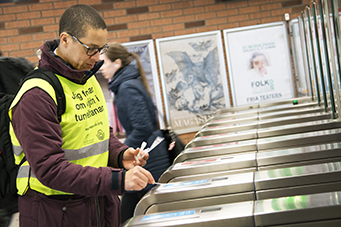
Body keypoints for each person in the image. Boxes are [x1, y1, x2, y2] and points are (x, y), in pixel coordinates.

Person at [8, 4, 154, 227]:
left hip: (97, 204)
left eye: (100, 49)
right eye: (90, 48)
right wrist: (117, 179)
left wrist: (119, 153)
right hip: (55, 212)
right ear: (65, 39)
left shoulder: (88, 79)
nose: (96, 58)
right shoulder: (37, 94)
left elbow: (99, 134)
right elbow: (50, 169)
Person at [100, 42, 171, 223]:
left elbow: (142, 126)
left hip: (149, 159)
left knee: (135, 214)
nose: (101, 68)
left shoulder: (126, 87)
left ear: (117, 63)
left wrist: (121, 152)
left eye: (104, 63)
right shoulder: (127, 83)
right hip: (148, 156)